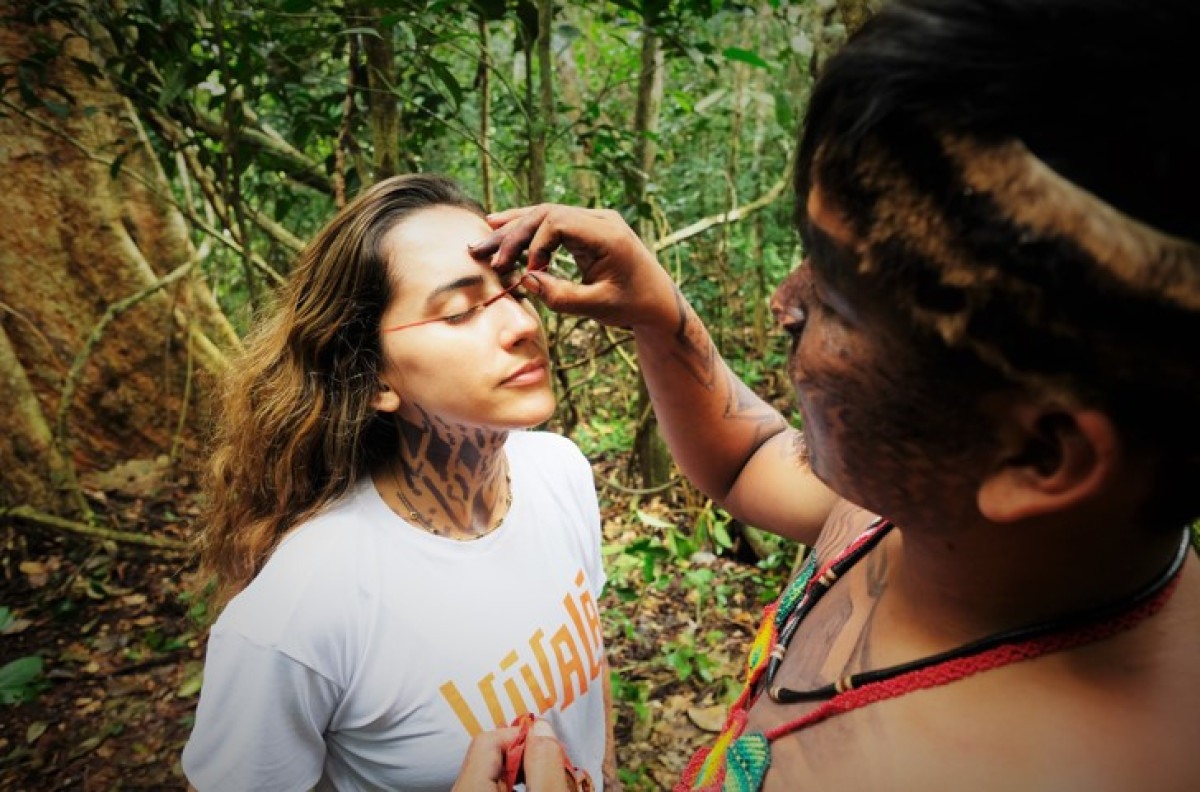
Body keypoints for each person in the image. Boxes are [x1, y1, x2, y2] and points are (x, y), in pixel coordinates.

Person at [462, 0, 1200, 789]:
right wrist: (656, 309)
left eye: (836, 303)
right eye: (805, 254)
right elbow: (749, 458)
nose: (783, 303)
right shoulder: (928, 516)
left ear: (1039, 452)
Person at [182, 174, 617, 792]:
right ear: (375, 378)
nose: (522, 325)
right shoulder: (300, 612)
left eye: (515, 288)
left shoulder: (560, 471)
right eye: (461, 311)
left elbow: (590, 677)